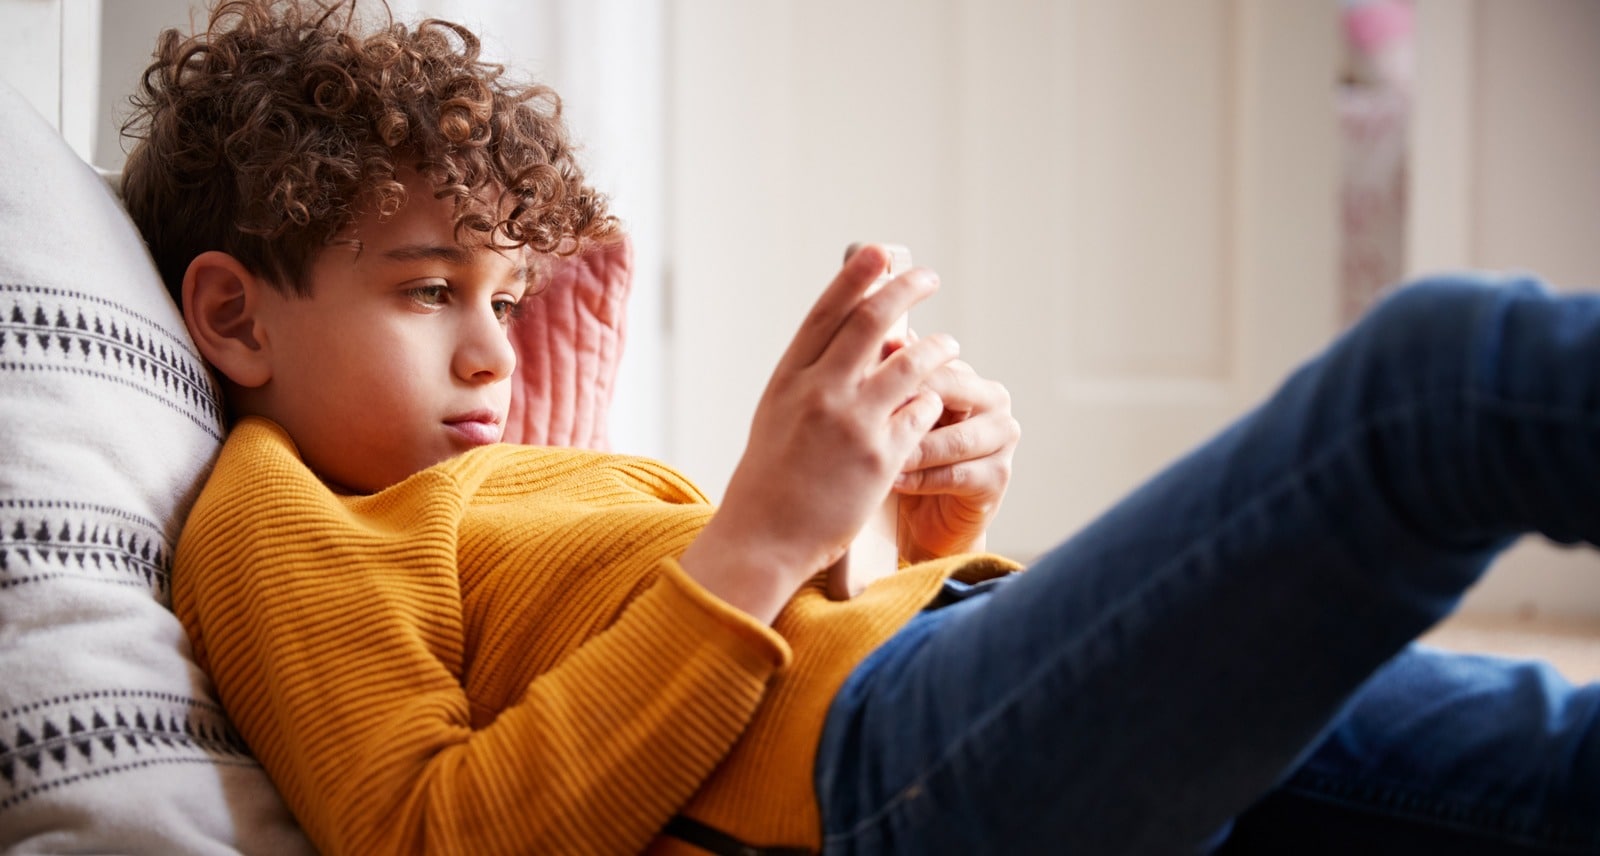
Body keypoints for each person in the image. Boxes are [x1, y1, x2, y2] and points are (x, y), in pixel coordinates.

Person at [121, 1, 1600, 854]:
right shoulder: (282, 516)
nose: (493, 350)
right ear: (238, 317)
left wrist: (913, 535)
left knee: (1546, 762)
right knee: (1440, 382)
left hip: (921, 691)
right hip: (889, 771)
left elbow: (720, 691)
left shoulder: (512, 486)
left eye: (509, 293)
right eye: (431, 290)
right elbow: (433, 835)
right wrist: (760, 534)